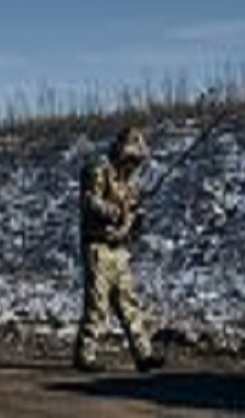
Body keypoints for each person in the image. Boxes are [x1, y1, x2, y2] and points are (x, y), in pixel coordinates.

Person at [73, 126, 165, 373]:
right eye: (132, 158)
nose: (134, 165)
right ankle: (85, 355)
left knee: (128, 303)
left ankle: (143, 354)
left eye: (138, 160)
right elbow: (89, 201)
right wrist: (116, 212)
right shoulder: (98, 168)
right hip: (98, 247)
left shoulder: (129, 180)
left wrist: (135, 217)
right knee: (97, 306)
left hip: (120, 249)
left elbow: (131, 213)